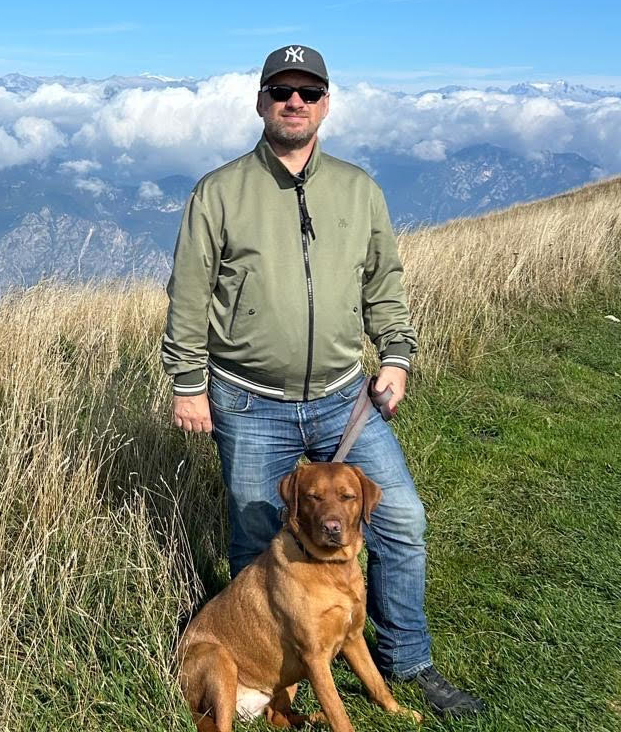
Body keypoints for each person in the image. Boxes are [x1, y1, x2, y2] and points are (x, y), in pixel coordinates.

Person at [161, 44, 484, 717]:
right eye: (281, 90)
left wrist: (396, 357)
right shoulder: (219, 192)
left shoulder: (358, 189)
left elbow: (383, 283)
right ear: (261, 101)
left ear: (325, 104)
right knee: (257, 538)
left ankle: (406, 660)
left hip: (344, 397)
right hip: (248, 400)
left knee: (401, 519)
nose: (294, 101)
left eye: (308, 92)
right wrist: (187, 382)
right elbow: (188, 293)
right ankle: (274, 677)